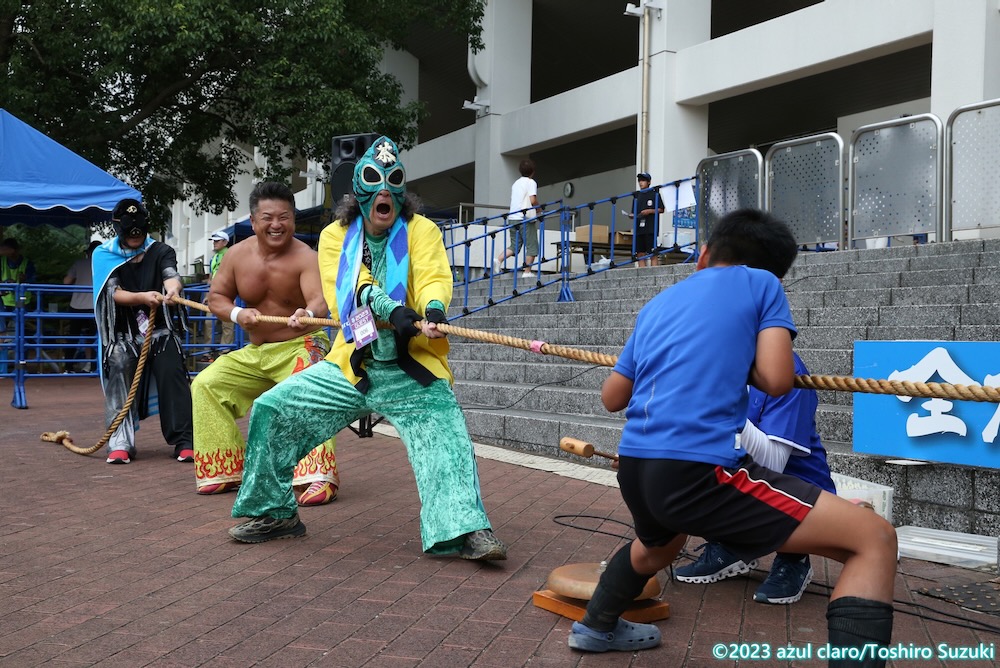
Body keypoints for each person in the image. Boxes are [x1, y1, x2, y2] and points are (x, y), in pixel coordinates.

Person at [567, 209, 896, 668]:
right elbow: (779, 379)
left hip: (637, 466)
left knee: (658, 548)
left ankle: (595, 627)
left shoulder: (658, 304)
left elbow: (611, 396)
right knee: (874, 538)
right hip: (695, 471)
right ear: (772, 270)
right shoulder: (762, 284)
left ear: (703, 254)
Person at [226, 137, 507, 561]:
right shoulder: (335, 235)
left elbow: (433, 275)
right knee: (272, 409)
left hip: (411, 368)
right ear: (357, 194)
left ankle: (463, 527)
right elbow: (350, 286)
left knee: (445, 430)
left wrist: (431, 308)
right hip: (352, 364)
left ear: (402, 191)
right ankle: (274, 513)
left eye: (393, 183)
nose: (384, 193)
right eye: (374, 184)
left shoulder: (422, 230)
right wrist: (392, 309)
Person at [192, 182, 339, 506]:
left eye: (284, 217)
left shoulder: (306, 256)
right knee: (206, 384)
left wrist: (308, 312)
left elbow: (319, 300)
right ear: (254, 220)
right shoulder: (235, 255)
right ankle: (226, 468)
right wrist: (237, 313)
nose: (276, 224)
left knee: (310, 380)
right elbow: (217, 298)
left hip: (301, 343)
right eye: (268, 217)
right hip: (256, 351)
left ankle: (316, 474)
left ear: (293, 220)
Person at [674, 351, 837, 605]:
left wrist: (724, 404)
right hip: (740, 473)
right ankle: (730, 547)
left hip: (795, 486)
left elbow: (772, 463)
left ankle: (794, 558)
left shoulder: (785, 367)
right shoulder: (712, 356)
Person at [92, 198, 194, 465]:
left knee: (173, 366)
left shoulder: (161, 250)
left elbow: (171, 275)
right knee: (119, 361)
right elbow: (113, 294)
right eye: (129, 234)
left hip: (159, 329)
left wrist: (172, 290)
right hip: (121, 333)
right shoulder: (103, 254)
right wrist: (143, 297)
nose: (135, 238)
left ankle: (185, 441)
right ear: (118, 230)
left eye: (139, 233)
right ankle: (119, 442)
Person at [494, 158, 540, 279]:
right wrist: (539, 209)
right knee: (532, 245)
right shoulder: (531, 182)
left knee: (514, 246)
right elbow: (532, 200)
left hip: (512, 217)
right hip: (525, 218)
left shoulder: (516, 183)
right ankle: (527, 271)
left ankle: (498, 260)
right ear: (532, 171)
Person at [62, 240, 101, 373]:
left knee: (73, 336)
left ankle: (68, 367)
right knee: (94, 338)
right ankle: (92, 366)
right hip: (94, 306)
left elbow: (66, 282)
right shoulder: (103, 265)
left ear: (88, 253)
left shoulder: (79, 264)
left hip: (77, 305)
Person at [623, 173, 664, 267]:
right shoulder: (637, 196)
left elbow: (661, 209)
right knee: (640, 253)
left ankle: (654, 272)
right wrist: (631, 215)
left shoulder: (655, 194)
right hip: (639, 229)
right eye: (639, 181)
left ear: (649, 182)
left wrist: (649, 211)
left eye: (643, 181)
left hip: (650, 228)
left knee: (653, 253)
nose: (641, 183)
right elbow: (634, 212)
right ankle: (643, 273)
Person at [205, 230, 235, 354]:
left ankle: (224, 350)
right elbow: (211, 277)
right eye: (214, 241)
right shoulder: (214, 257)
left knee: (227, 323)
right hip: (215, 293)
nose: (214, 243)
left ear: (225, 242)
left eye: (217, 241)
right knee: (208, 322)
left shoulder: (230, 254)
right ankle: (207, 351)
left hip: (227, 293)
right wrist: (208, 294)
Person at [1, 238, 37, 333]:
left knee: (17, 323)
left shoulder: (27, 263)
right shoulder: (2, 261)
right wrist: (5, 283)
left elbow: (33, 282)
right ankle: (9, 343)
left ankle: (13, 344)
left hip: (21, 300)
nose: (4, 252)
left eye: (6, 249)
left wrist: (25, 279)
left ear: (14, 250)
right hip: (4, 299)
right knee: (5, 324)